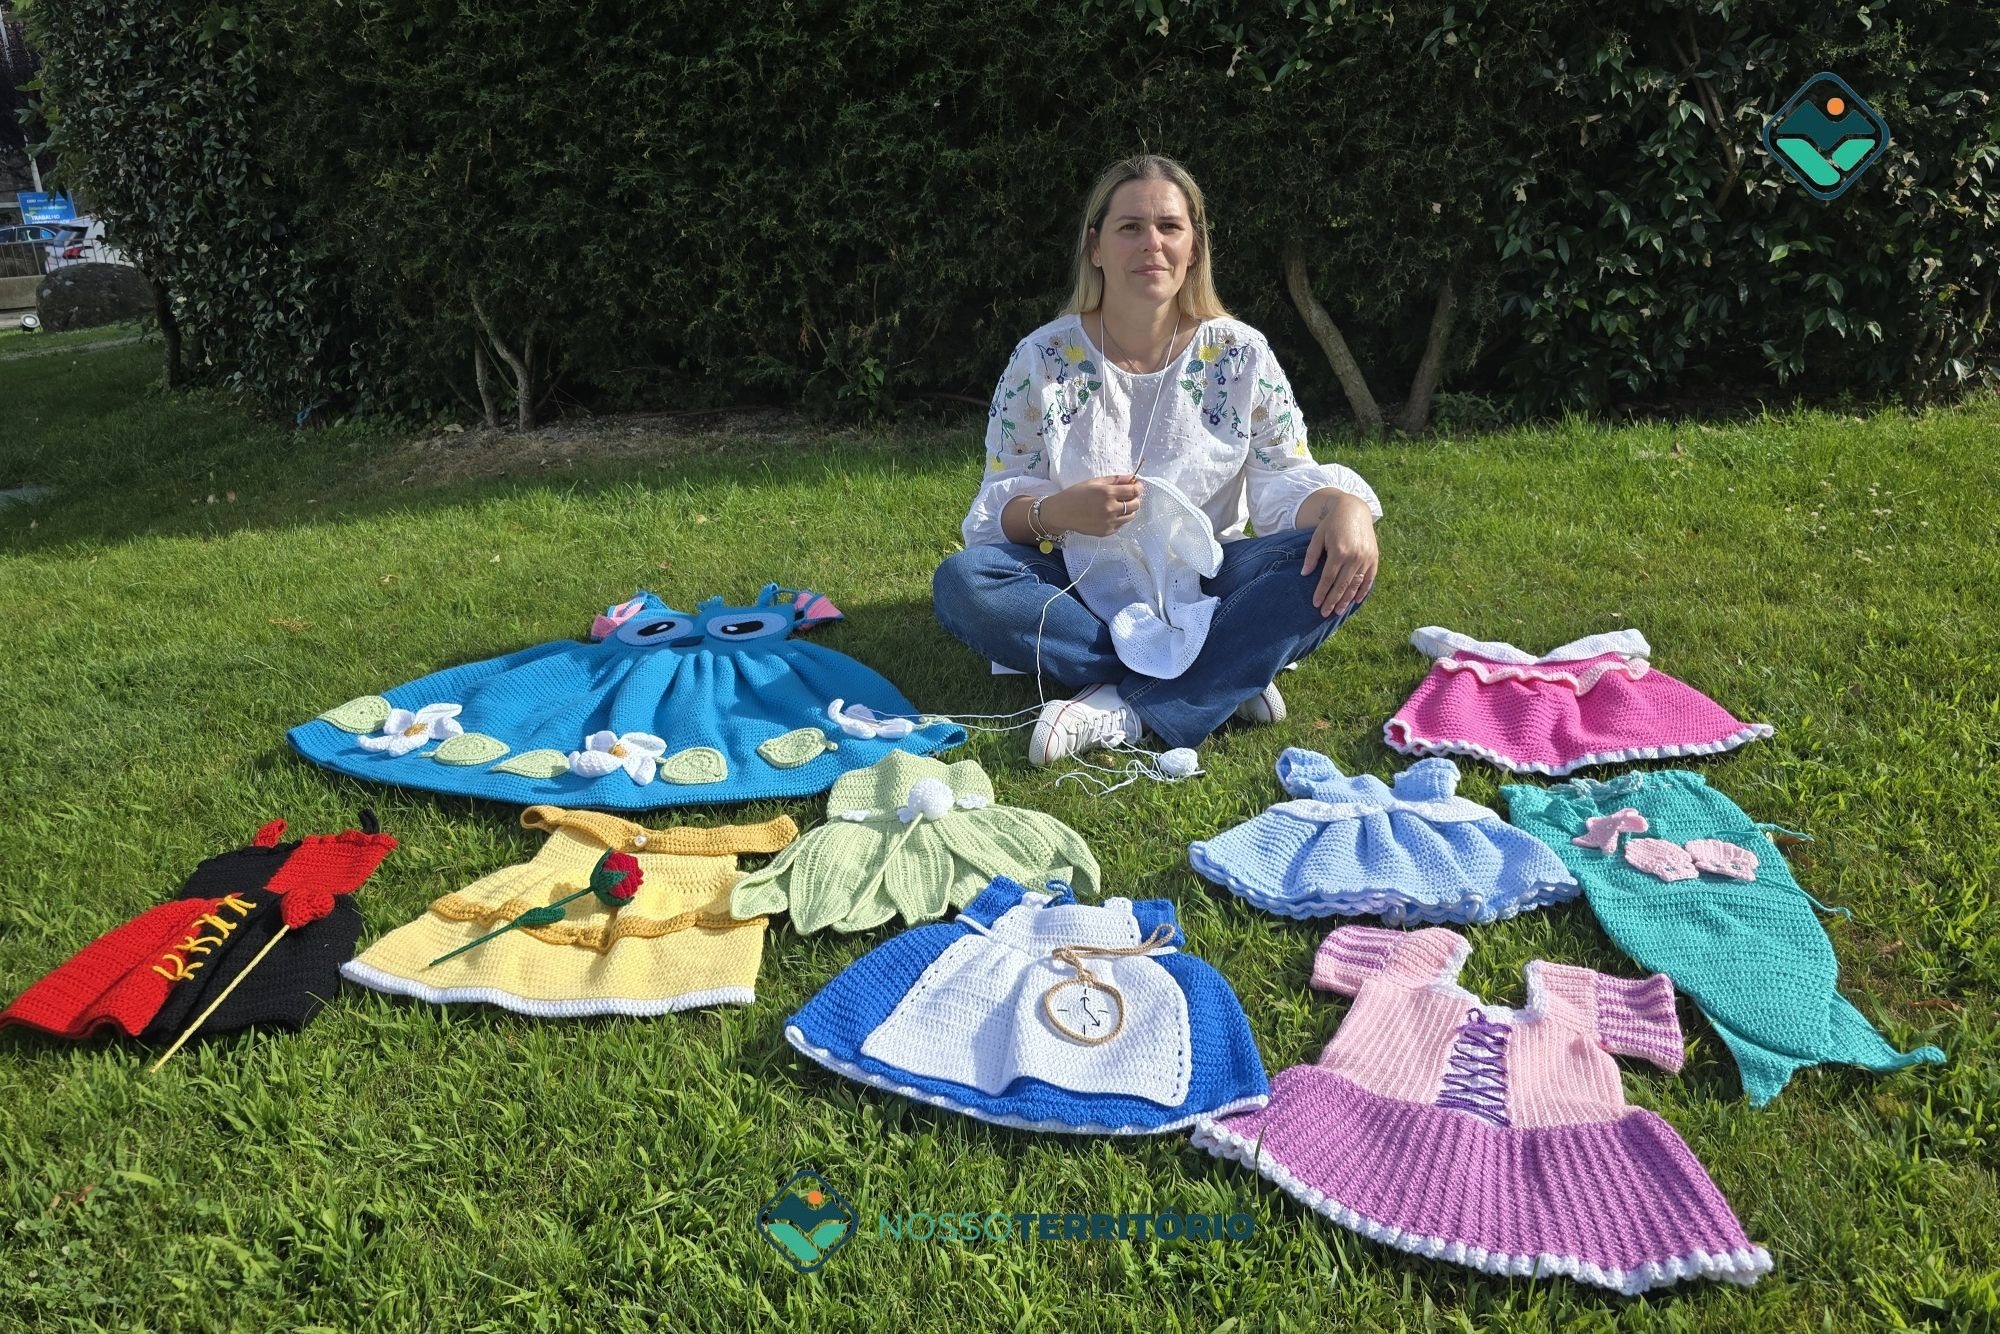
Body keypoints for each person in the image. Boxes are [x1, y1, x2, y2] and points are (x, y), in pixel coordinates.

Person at [931, 154, 1382, 767]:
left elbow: (1285, 483)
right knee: (965, 584)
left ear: (1194, 247)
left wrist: (1345, 506)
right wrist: (1057, 513)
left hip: (1210, 579)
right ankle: (1228, 671)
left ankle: (1128, 701)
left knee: (1338, 556)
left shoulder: (1240, 354)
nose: (1152, 243)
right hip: (1079, 586)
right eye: (1130, 227)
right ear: (1095, 247)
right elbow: (998, 513)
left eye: (1170, 226)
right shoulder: (1042, 358)